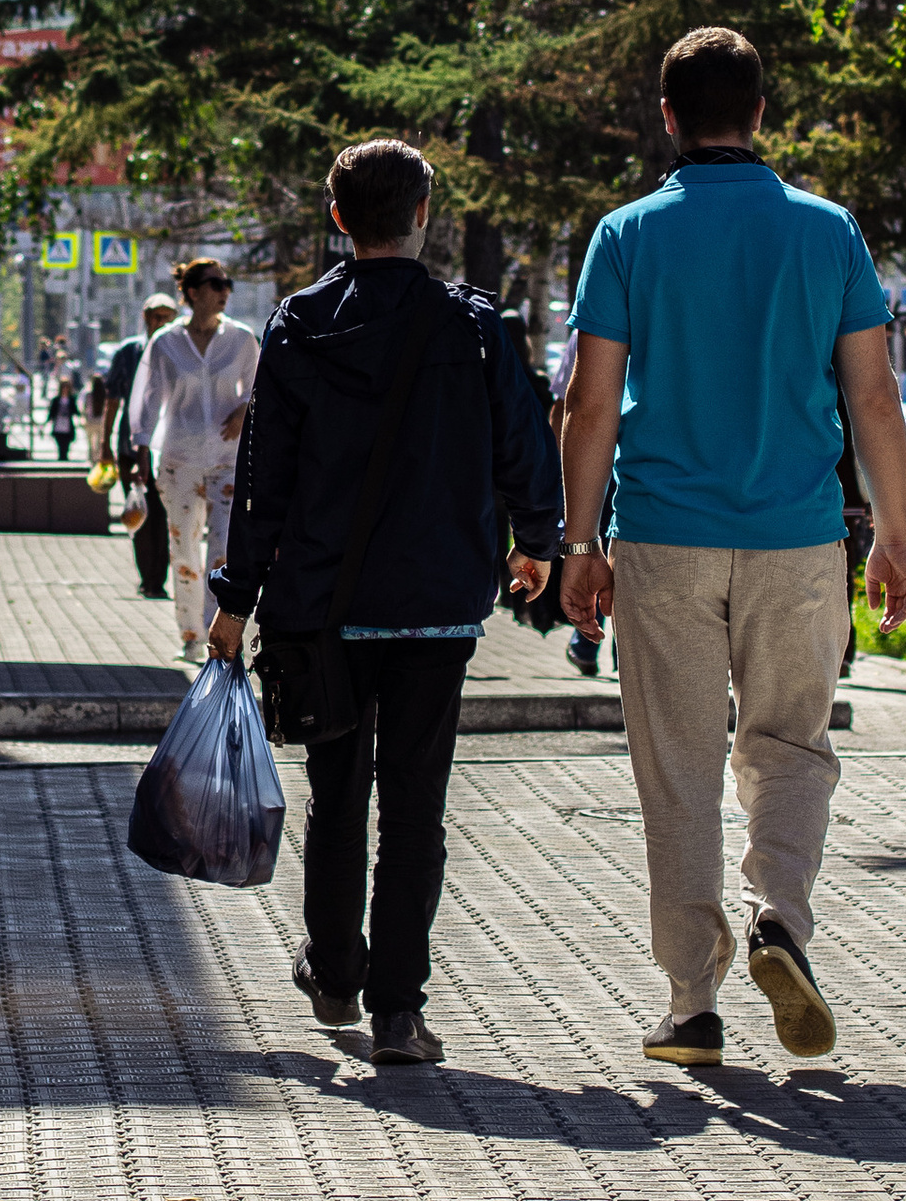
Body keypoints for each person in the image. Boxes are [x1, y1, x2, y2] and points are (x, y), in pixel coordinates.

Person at [560, 24, 906, 1072]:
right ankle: (781, 922)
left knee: (676, 766)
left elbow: (588, 402)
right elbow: (873, 394)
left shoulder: (626, 235)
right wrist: (889, 530)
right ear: (760, 111)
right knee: (790, 745)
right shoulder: (827, 231)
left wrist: (578, 542)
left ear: (666, 116)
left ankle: (690, 1004)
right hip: (799, 538)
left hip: (664, 536)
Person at [208, 139, 561, 1067]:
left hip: (322, 605)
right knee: (415, 811)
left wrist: (235, 599)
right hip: (438, 604)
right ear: (423, 215)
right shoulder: (476, 327)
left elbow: (264, 477)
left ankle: (333, 971)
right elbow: (523, 445)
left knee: (335, 797)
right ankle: (399, 1011)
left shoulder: (298, 324)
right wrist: (537, 543)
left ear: (338, 219)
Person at [129, 259, 262, 661]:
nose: (224, 291)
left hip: (227, 461)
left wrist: (244, 409)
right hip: (179, 460)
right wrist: (138, 450)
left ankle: (221, 638)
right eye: (215, 283)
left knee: (225, 552)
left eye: (227, 283)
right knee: (185, 550)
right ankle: (191, 635)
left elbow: (261, 387)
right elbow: (147, 398)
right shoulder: (166, 342)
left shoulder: (240, 339)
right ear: (191, 292)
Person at [101, 296, 179, 598]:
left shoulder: (178, 351)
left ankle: (157, 578)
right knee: (140, 514)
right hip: (129, 447)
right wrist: (104, 445)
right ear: (146, 318)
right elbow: (112, 399)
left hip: (168, 446)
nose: (163, 324)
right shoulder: (129, 352)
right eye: (158, 317)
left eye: (168, 318)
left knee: (165, 516)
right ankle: (149, 577)